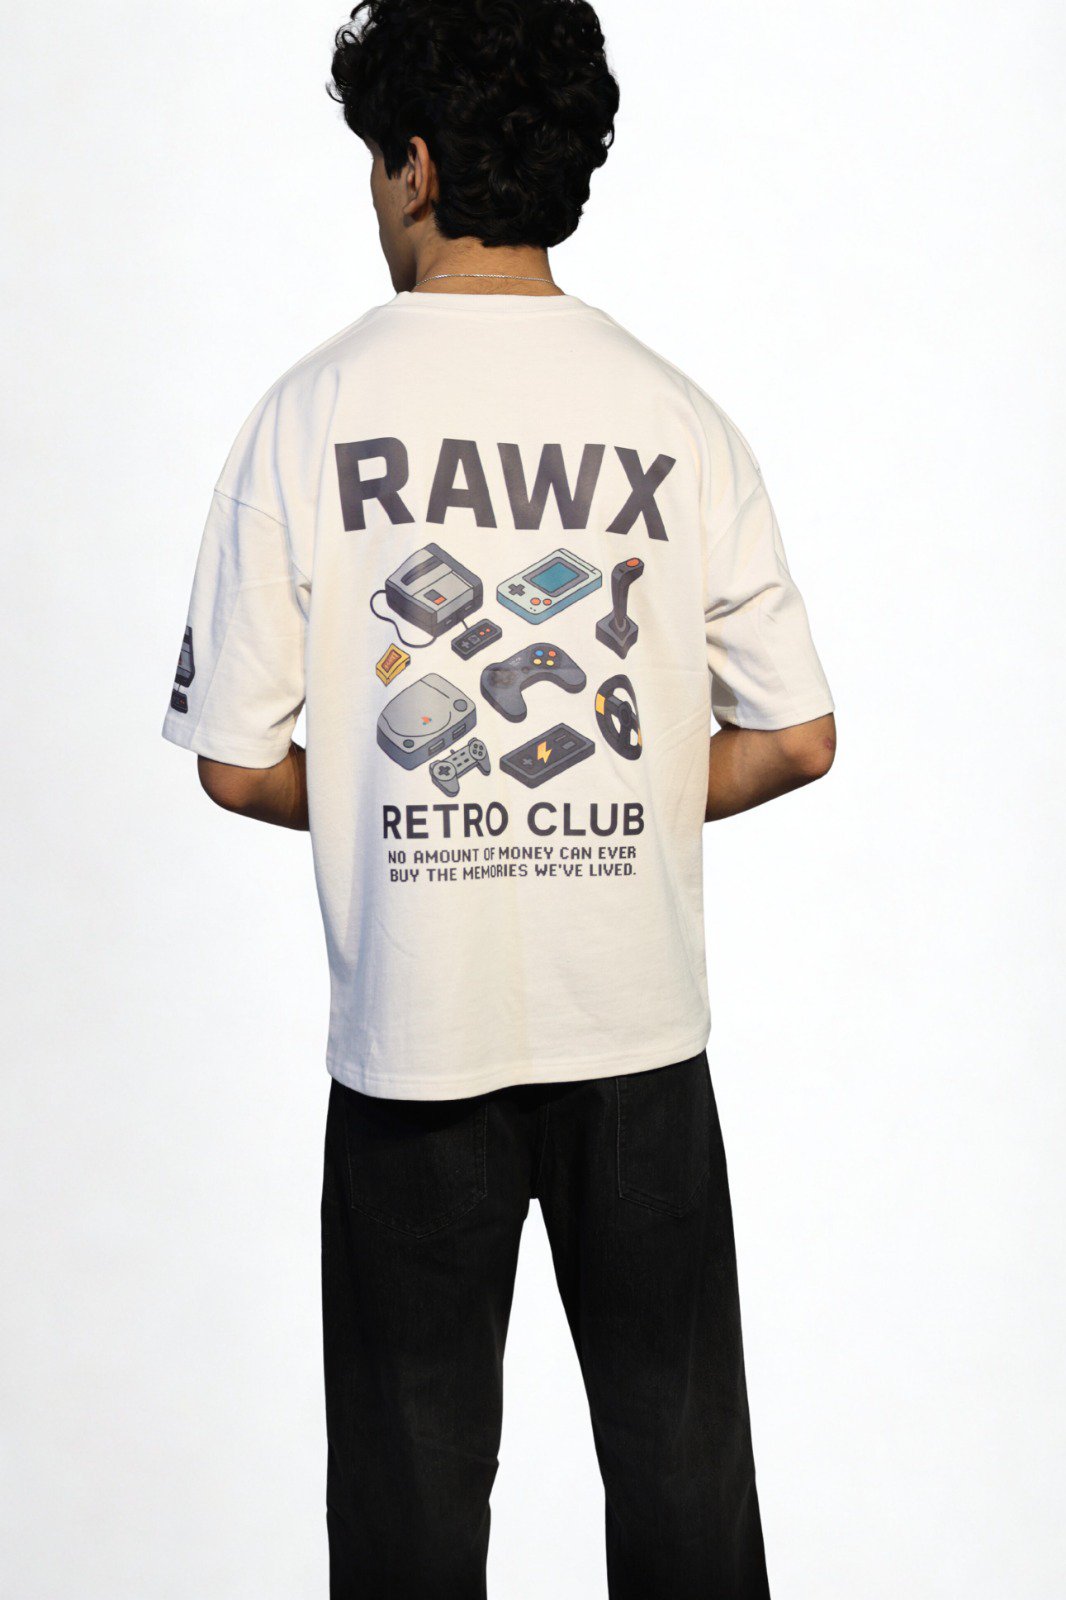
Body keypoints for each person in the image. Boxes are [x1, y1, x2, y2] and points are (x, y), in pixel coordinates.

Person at [161, 1, 837, 1594]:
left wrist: (394, 805)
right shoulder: (676, 415)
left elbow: (238, 761)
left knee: (406, 1522)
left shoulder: (308, 412)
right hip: (638, 1042)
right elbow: (796, 738)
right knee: (685, 1499)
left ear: (411, 164)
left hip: (417, 1045)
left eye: (373, 163)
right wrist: (612, 798)